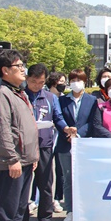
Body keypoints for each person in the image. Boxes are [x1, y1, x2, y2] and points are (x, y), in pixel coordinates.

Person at [0, 50, 40, 221]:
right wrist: (11, 158)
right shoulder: (2, 94)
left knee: (19, 208)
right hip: (10, 163)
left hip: (25, 160)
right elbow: (2, 129)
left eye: (23, 65)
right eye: (19, 66)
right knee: (6, 209)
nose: (23, 69)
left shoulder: (18, 93)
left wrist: (33, 156)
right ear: (5, 70)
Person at [20, 64, 70, 221]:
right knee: (23, 186)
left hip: (44, 145)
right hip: (23, 147)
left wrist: (65, 129)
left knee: (46, 184)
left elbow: (58, 117)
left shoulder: (50, 98)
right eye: (34, 82)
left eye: (41, 82)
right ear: (27, 79)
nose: (37, 85)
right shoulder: (20, 95)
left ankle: (45, 219)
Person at [56, 69, 98, 221]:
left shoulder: (92, 100)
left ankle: (84, 209)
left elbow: (92, 122)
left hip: (83, 143)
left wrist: (78, 133)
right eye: (72, 80)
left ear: (84, 81)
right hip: (65, 143)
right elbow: (58, 117)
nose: (75, 83)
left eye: (78, 80)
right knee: (68, 179)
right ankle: (70, 210)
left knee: (84, 178)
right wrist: (67, 131)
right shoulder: (62, 100)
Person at [44, 71, 66, 213]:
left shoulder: (63, 98)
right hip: (46, 137)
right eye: (61, 82)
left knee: (60, 171)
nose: (63, 85)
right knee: (44, 170)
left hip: (60, 137)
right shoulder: (45, 96)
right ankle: (36, 199)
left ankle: (57, 198)